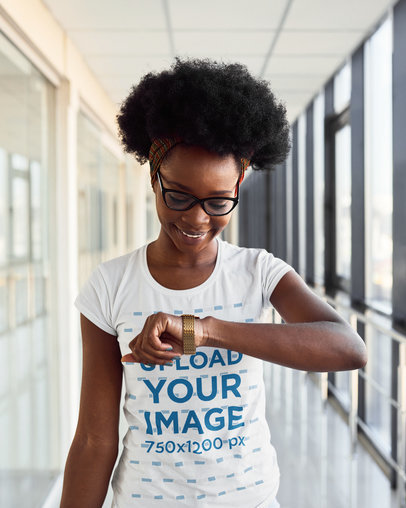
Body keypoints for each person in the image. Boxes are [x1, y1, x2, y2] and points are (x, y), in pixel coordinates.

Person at [60, 58, 367, 508]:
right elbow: (93, 440)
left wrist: (204, 330)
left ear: (239, 184)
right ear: (153, 176)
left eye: (218, 201)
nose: (196, 218)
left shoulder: (259, 272)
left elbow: (348, 348)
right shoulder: (110, 285)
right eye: (179, 195)